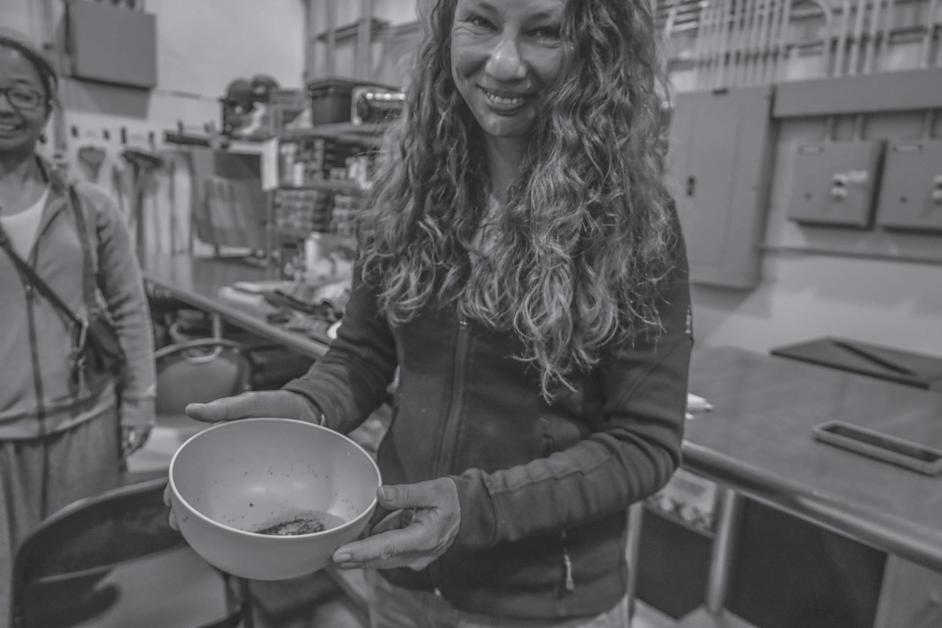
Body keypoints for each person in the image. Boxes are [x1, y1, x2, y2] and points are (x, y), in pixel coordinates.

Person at [174, 0, 692, 625]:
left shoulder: (634, 226)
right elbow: (362, 356)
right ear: (446, 29)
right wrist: (306, 407)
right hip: (402, 578)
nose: (503, 63)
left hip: (540, 602)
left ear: (594, 47)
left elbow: (643, 443)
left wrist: (474, 507)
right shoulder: (408, 192)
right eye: (481, 22)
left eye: (545, 31)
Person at [0, 31, 156, 623]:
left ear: (47, 109)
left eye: (21, 93)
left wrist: (140, 401)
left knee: (81, 577)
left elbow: (129, 305)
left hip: (85, 424)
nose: (6, 107)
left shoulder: (89, 205)